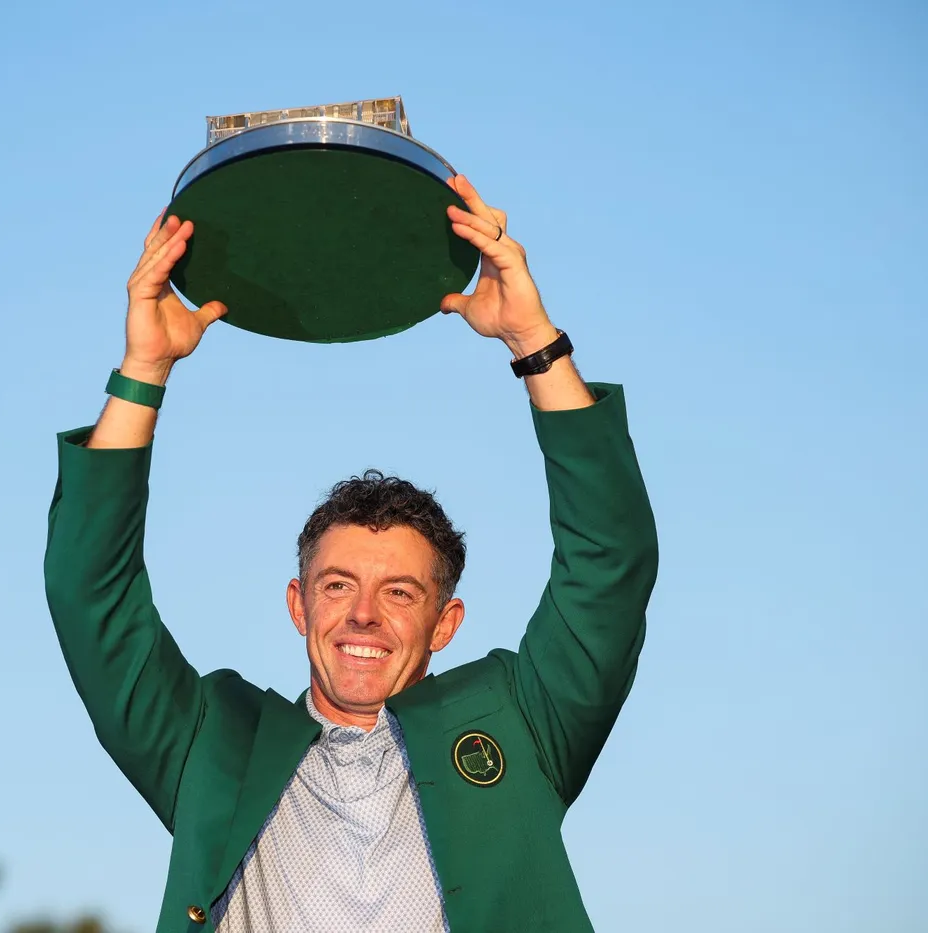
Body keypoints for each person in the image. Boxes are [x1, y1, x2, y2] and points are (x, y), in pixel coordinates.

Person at [43, 175, 659, 932]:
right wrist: (144, 370)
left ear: (445, 622)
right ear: (298, 604)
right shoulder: (215, 741)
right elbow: (91, 594)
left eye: (400, 592)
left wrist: (535, 342)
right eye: (337, 585)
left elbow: (609, 562)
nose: (363, 614)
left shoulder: (520, 722)